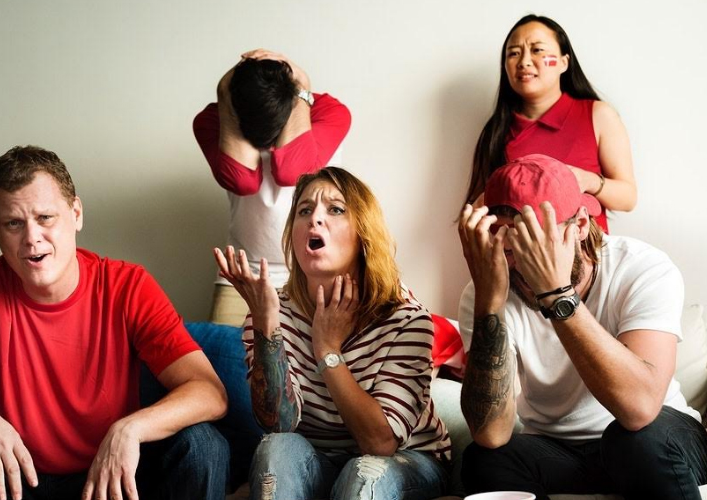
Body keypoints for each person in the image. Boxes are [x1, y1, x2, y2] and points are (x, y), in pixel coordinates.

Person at [0, 146, 229, 500]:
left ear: (76, 214)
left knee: (203, 445)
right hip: (10, 482)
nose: (32, 238)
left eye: (45, 217)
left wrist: (131, 428)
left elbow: (209, 392)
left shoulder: (127, 286)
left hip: (111, 478)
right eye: (14, 223)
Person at [457, 154, 707, 499]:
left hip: (658, 436)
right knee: (483, 460)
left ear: (580, 225)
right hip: (560, 450)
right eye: (511, 251)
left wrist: (557, 295)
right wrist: (489, 303)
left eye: (539, 247)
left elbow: (640, 409)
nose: (524, 268)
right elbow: (491, 434)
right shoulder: (487, 287)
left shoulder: (642, 268)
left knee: (634, 441)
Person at [214, 167, 450, 500]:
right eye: (304, 210)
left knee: (363, 473)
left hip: (406, 461)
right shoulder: (270, 312)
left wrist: (327, 350)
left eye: (335, 209)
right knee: (275, 449)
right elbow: (278, 424)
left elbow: (380, 443)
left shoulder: (406, 319)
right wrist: (266, 324)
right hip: (318, 460)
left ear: (363, 232)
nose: (315, 219)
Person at [194, 49, 351, 327]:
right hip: (241, 277)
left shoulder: (329, 112)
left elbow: (294, 172)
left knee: (316, 355)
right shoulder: (212, 120)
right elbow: (241, 180)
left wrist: (302, 89)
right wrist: (225, 96)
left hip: (316, 276)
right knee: (224, 353)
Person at [464, 14, 636, 233]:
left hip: (588, 253)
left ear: (564, 62)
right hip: (516, 254)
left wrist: (588, 181)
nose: (524, 61)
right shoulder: (496, 130)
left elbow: (628, 198)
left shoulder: (598, 115)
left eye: (537, 50)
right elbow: (480, 208)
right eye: (514, 53)